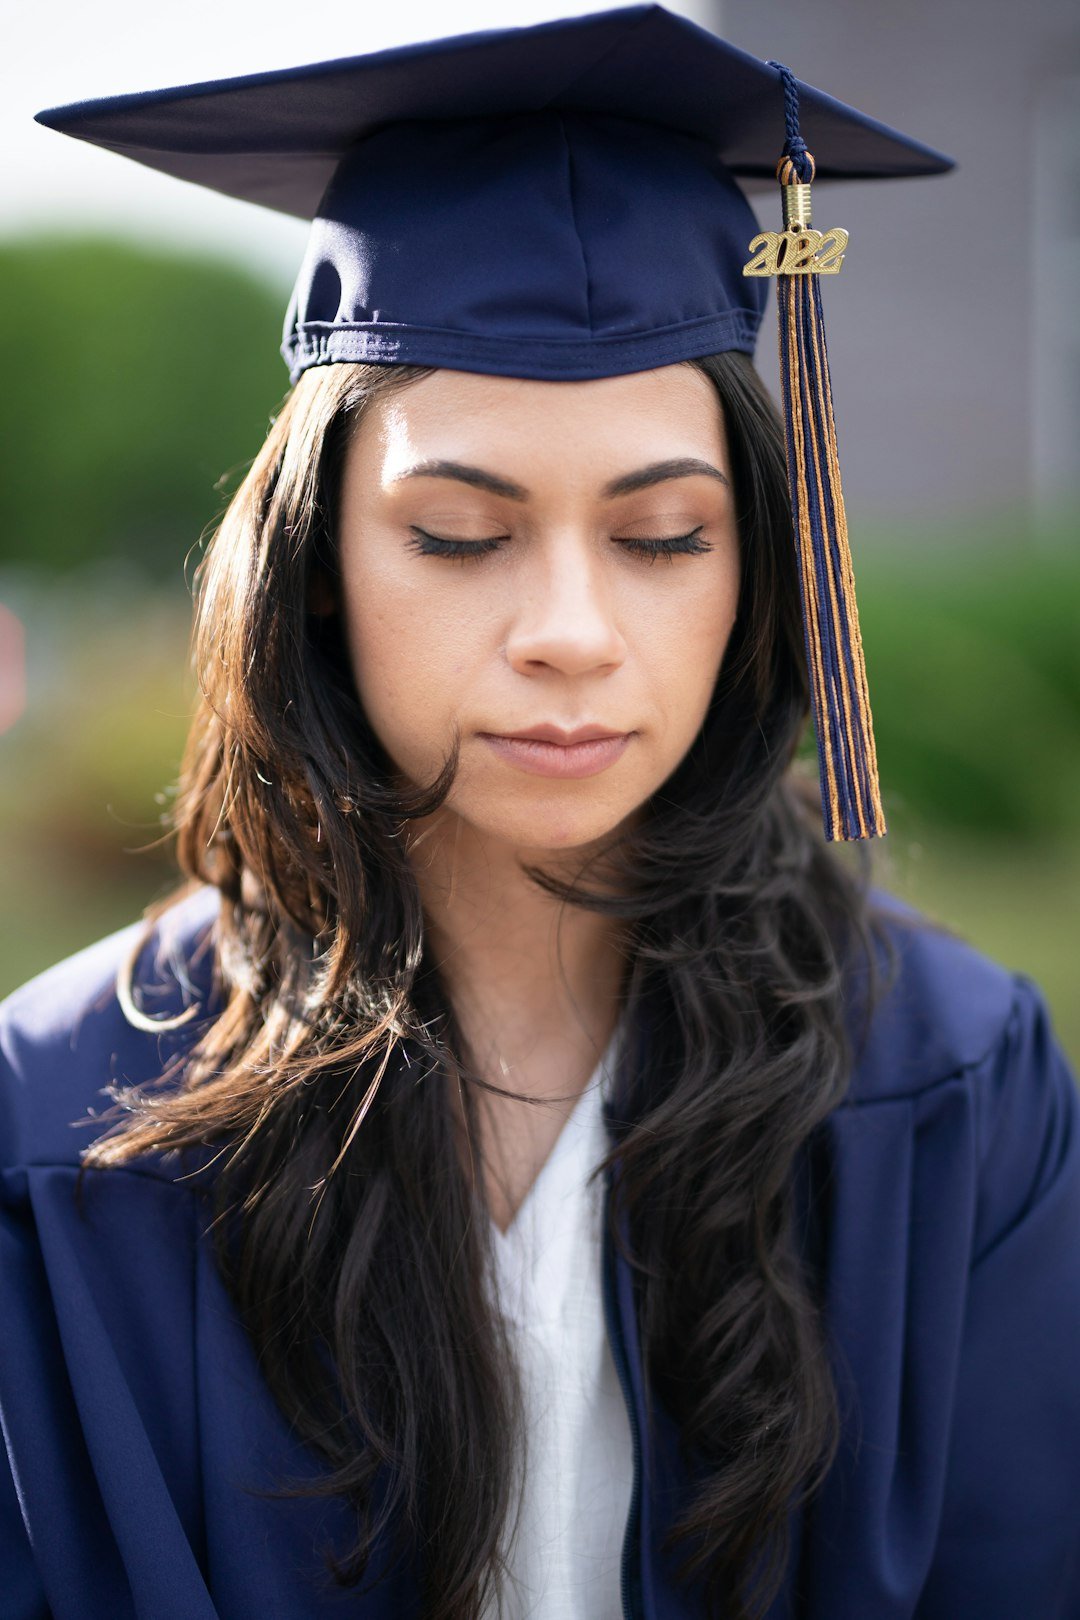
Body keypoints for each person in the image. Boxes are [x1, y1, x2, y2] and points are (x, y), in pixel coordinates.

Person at [4, 7, 1080, 1619]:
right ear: (317, 578)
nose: (571, 628)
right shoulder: (64, 1124)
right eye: (455, 534)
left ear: (757, 578)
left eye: (662, 535)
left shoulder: (953, 1087)